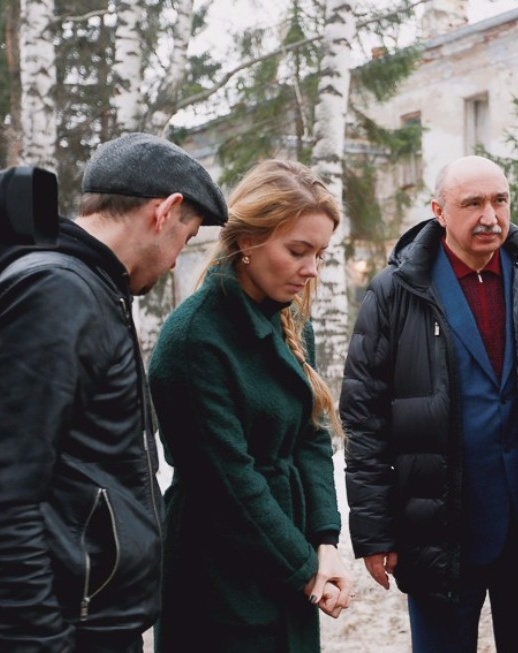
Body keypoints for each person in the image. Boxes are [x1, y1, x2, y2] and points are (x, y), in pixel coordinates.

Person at [0, 132, 227, 652]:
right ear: (165, 211)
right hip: (55, 633)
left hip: (88, 625)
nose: (171, 265)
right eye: (183, 242)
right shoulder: (57, 293)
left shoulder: (91, 288)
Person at [341, 155, 518, 652]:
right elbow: (365, 418)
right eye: (473, 203)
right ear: (439, 211)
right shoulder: (396, 292)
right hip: (438, 527)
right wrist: (375, 531)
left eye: (500, 200)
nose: (490, 215)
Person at [147, 159, 353, 652]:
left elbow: (311, 435)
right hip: (217, 574)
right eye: (298, 251)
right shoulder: (195, 339)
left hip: (289, 550)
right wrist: (305, 571)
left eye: (320, 254)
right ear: (247, 241)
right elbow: (228, 481)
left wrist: (325, 542)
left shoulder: (290, 320)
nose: (311, 270)